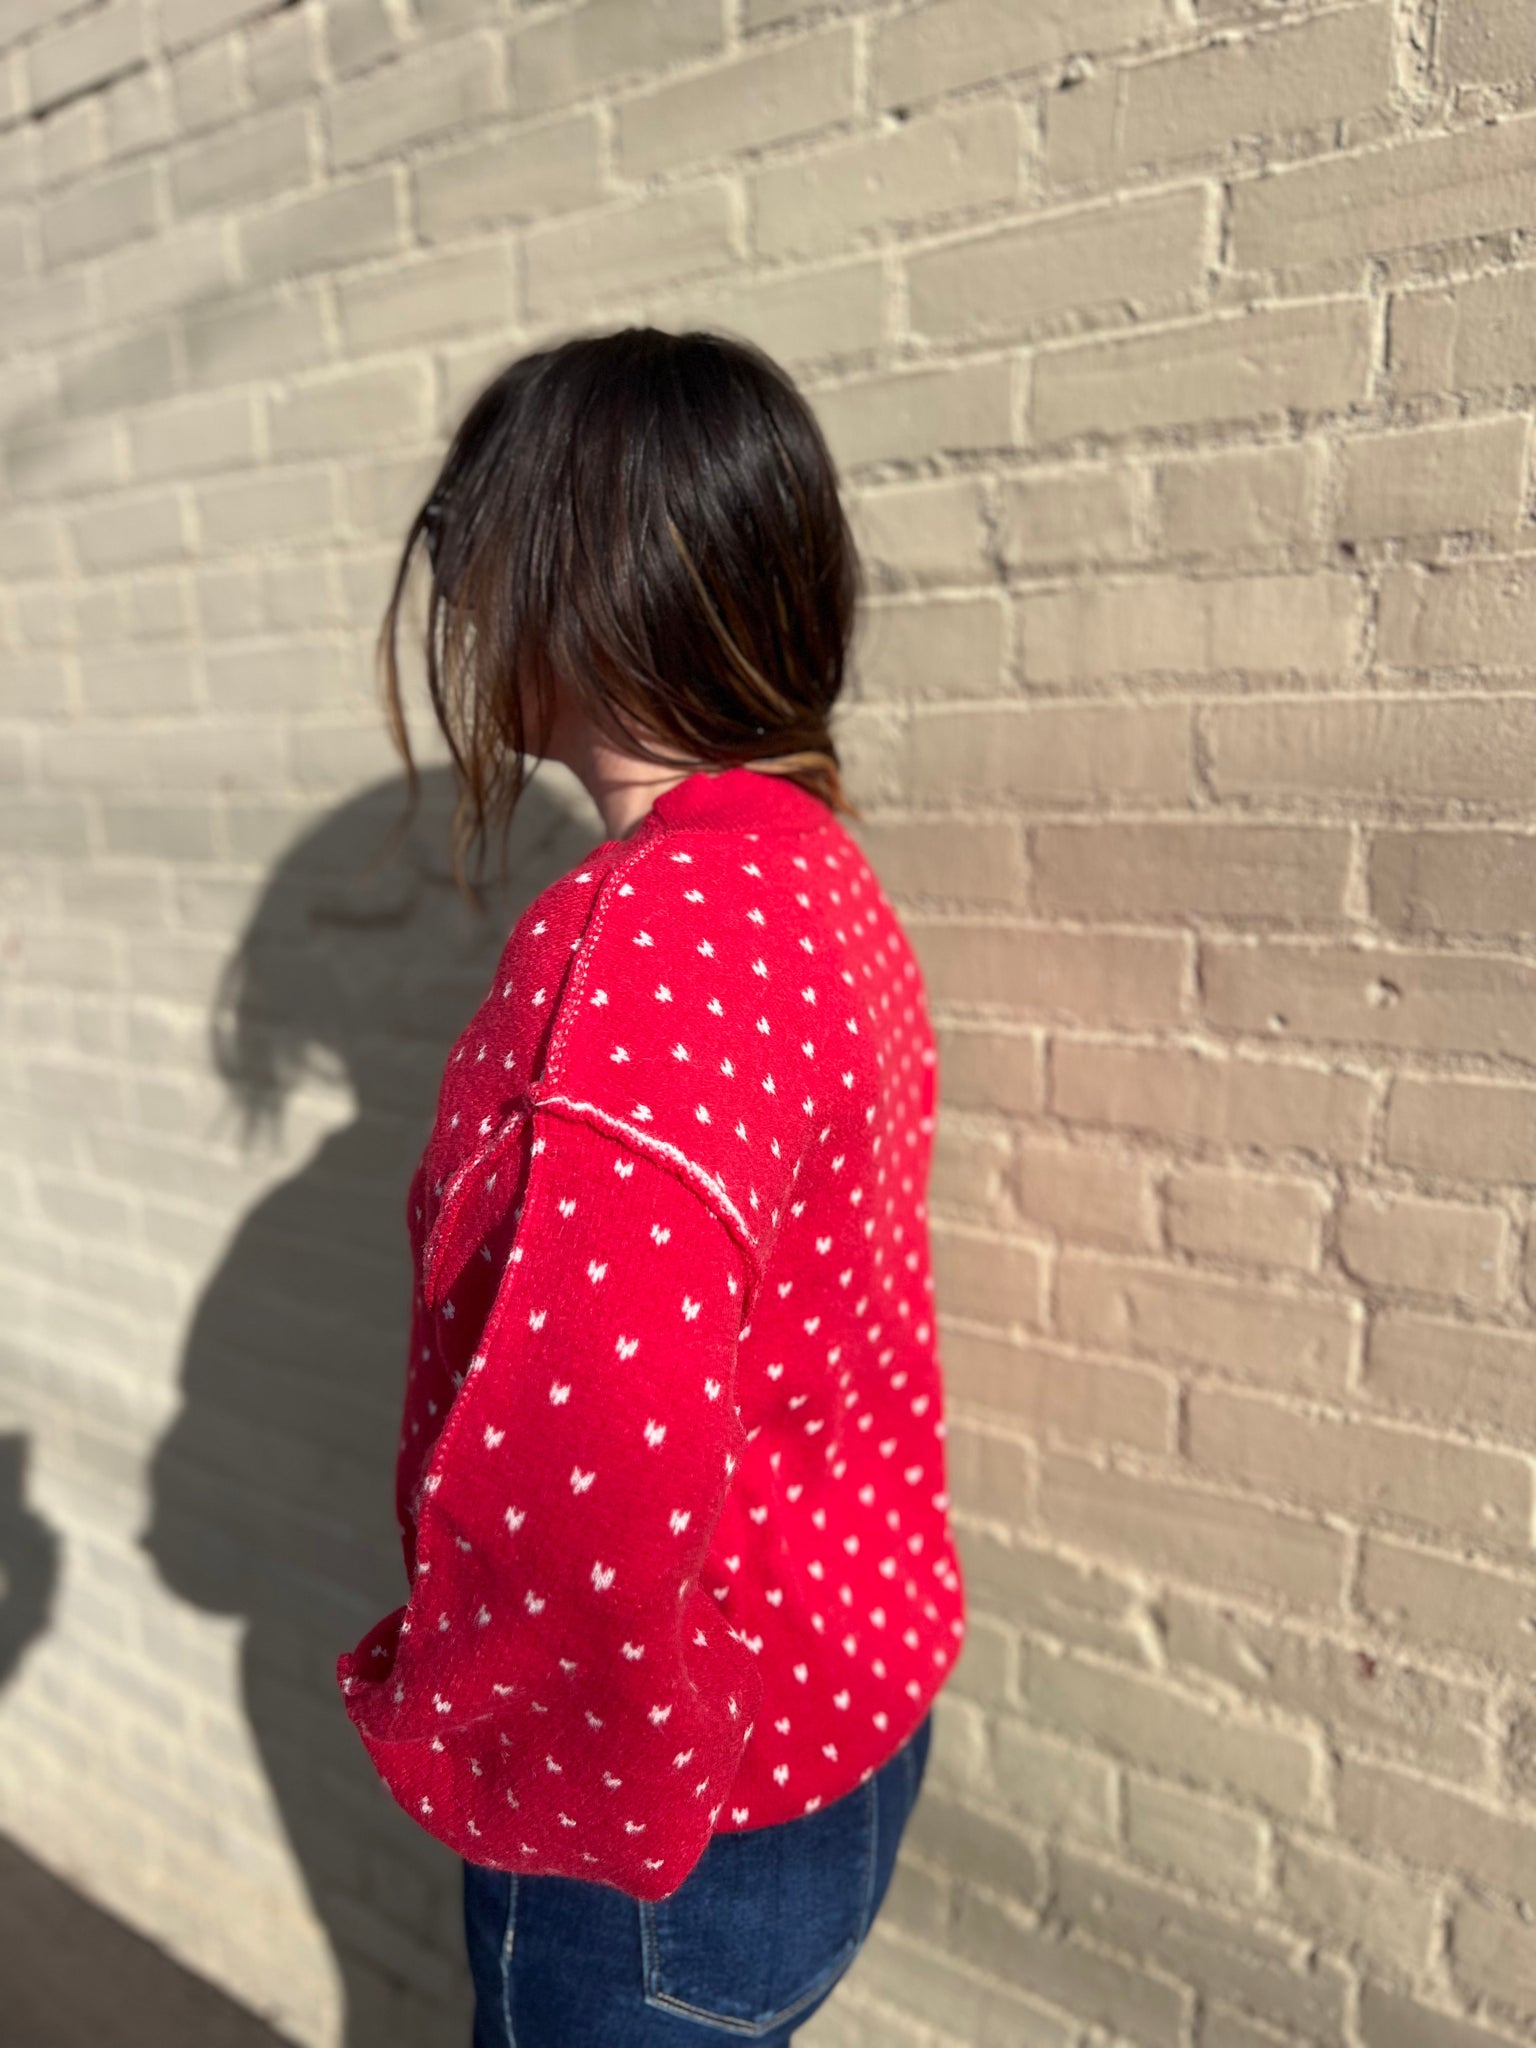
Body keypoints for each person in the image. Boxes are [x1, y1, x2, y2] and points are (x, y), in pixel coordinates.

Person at [334, 326, 967, 2045]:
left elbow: (588, 1459)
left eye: (475, 547)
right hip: (845, 1719)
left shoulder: (648, 932)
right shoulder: (815, 882)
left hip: (667, 1837)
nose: (463, 598)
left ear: (572, 576)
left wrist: (526, 1779)